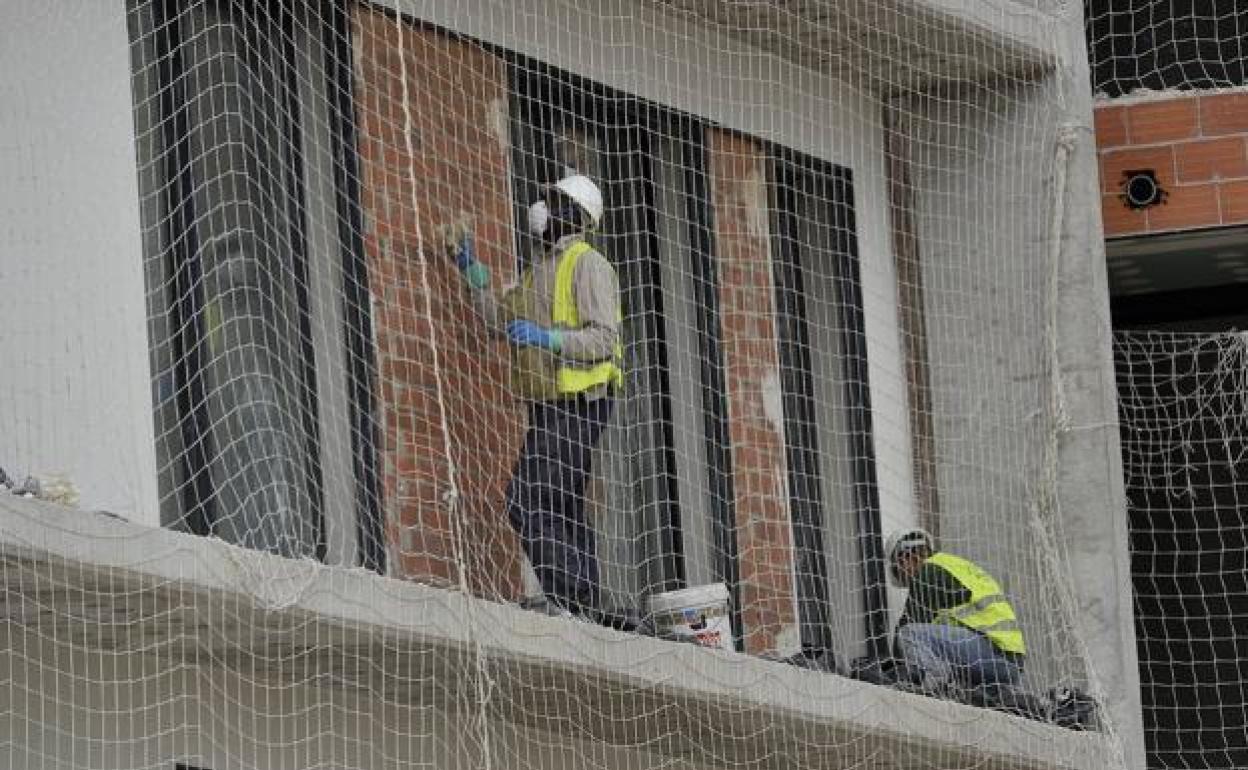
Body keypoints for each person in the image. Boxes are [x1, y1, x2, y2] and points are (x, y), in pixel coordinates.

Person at [447, 173, 622, 621]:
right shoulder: (538, 271)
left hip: (582, 401)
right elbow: (499, 321)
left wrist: (549, 338)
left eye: (551, 200)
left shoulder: (588, 264)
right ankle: (583, 603)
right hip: (549, 405)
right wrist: (472, 270)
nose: (540, 207)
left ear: (572, 213)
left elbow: (604, 339)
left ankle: (569, 600)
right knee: (562, 504)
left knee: (525, 498)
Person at [885, 528, 1027, 695]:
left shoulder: (929, 571)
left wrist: (887, 670)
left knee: (909, 634)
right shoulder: (952, 565)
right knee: (935, 651)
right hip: (1007, 663)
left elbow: (909, 623)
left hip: (993, 653)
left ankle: (931, 683)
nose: (907, 580)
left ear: (905, 558)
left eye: (899, 570)